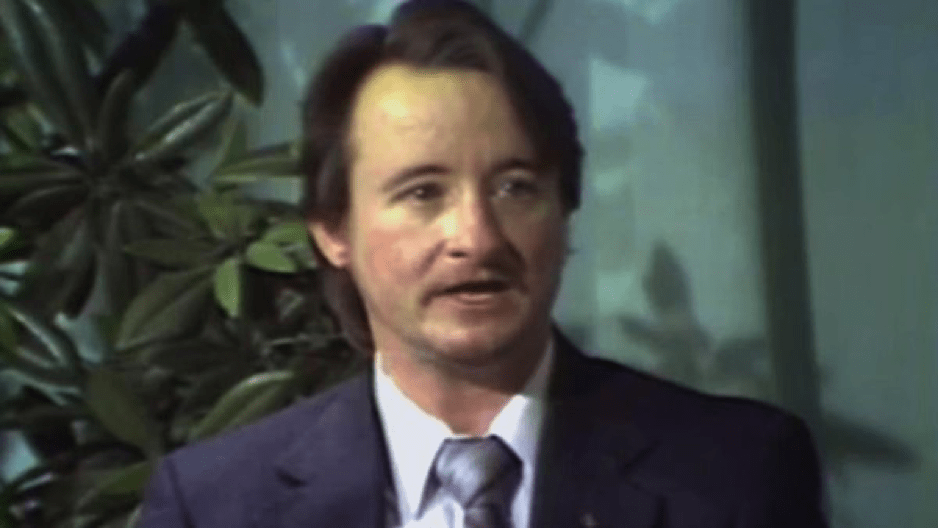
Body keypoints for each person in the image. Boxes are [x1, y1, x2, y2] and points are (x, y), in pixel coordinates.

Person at [139, 1, 828, 526]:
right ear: (331, 229)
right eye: (421, 193)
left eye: (514, 187)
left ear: (564, 210)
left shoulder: (739, 473)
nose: (476, 236)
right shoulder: (213, 506)